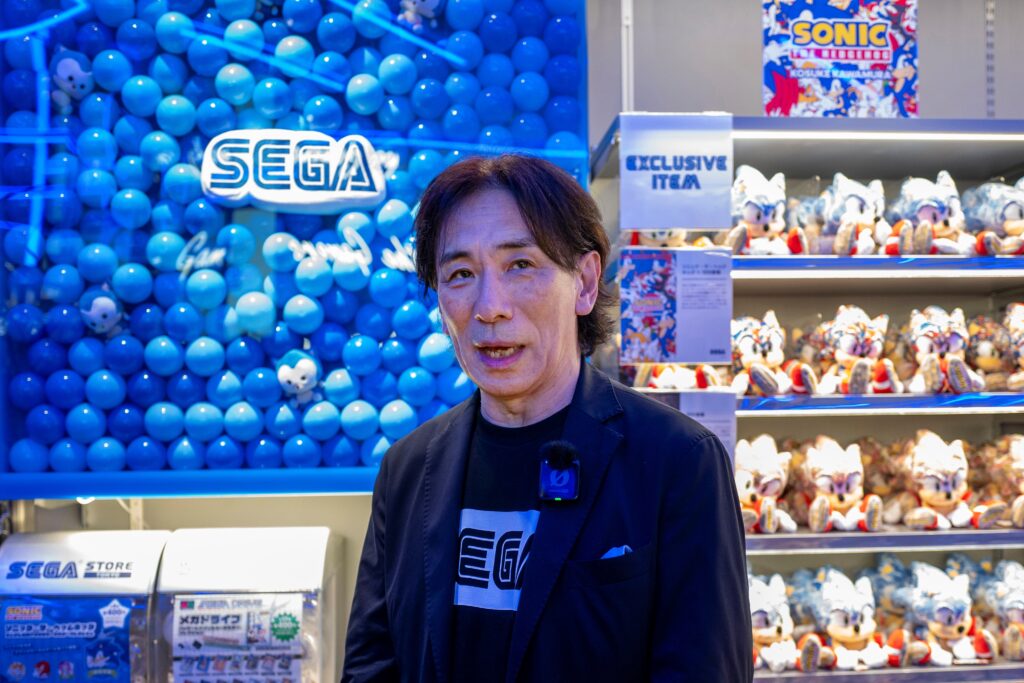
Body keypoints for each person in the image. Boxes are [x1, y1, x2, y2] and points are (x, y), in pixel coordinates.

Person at [343, 154, 752, 682]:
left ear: (584, 282)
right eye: (461, 274)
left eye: (520, 265)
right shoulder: (407, 469)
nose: (489, 307)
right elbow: (371, 666)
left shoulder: (678, 461)